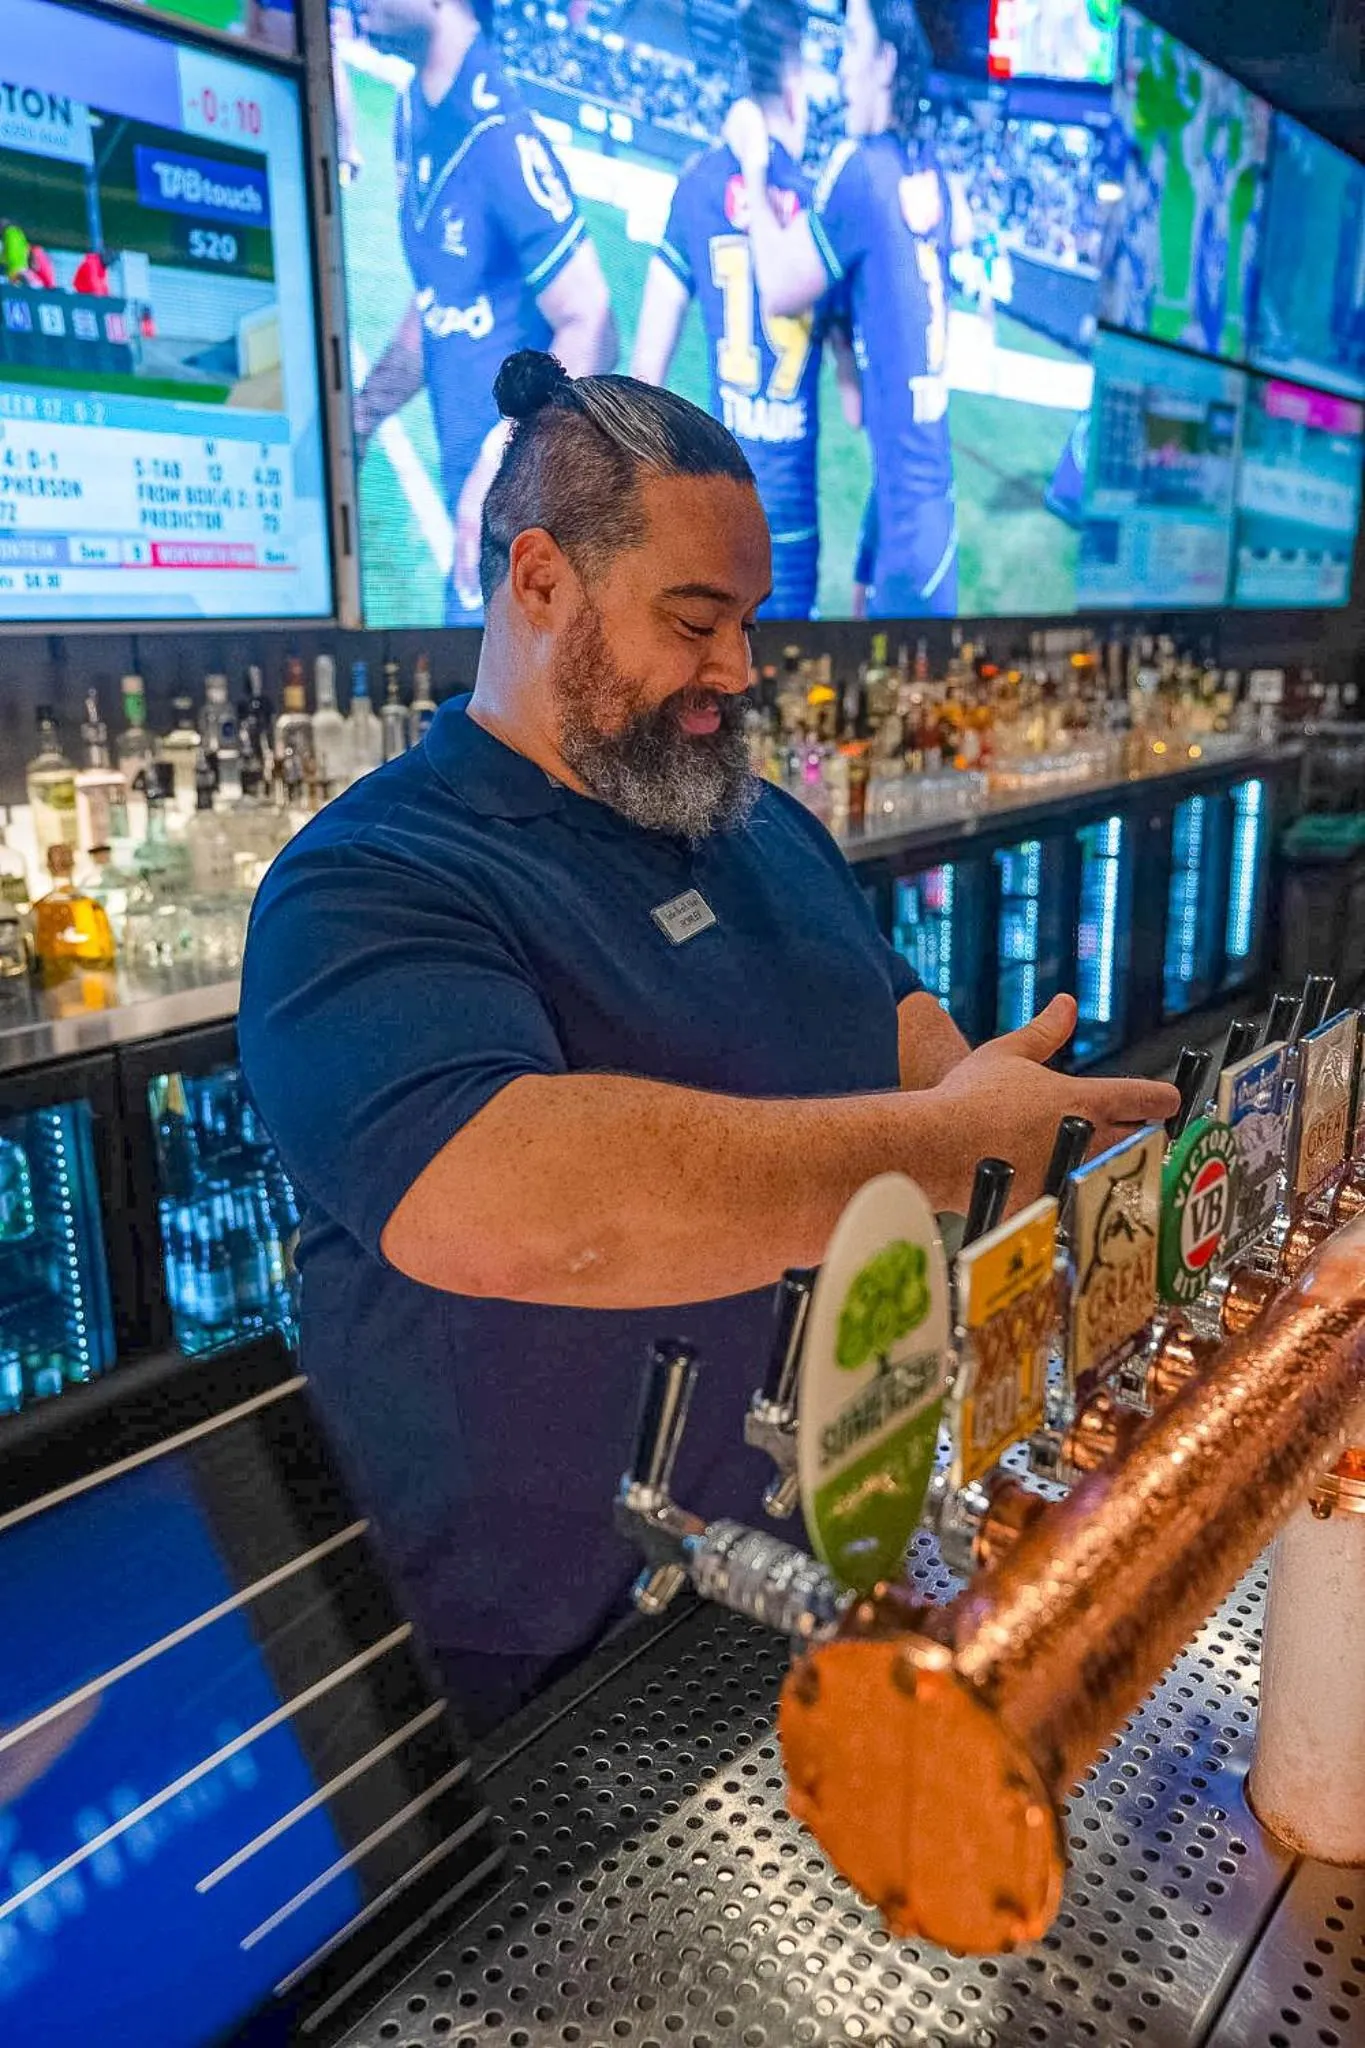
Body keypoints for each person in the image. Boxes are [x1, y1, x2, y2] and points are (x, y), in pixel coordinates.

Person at [239, 350, 1178, 1735]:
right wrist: (950, 1142)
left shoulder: (757, 822)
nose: (736, 668)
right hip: (529, 1653)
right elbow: (505, 1206)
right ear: (541, 580)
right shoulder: (372, 879)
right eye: (696, 620)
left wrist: (977, 1089)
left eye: (748, 621)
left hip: (818, 1568)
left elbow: (884, 1012)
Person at [351, 0, 615, 622]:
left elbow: (594, 320)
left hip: (529, 538)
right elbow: (439, 304)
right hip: (481, 527)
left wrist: (505, 460)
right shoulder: (411, 112)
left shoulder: (499, 135)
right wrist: (363, 414)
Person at [723, 0, 960, 617]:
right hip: (922, 511)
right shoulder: (927, 173)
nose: (841, 64)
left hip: (905, 538)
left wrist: (753, 156)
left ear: (884, 62)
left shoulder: (861, 168)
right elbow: (860, 406)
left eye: (852, 44)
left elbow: (778, 286)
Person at [631, 0, 852, 622]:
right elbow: (854, 379)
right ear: (794, 80)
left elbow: (643, 376)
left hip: (718, 519)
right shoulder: (819, 207)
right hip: (792, 530)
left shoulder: (697, 183)